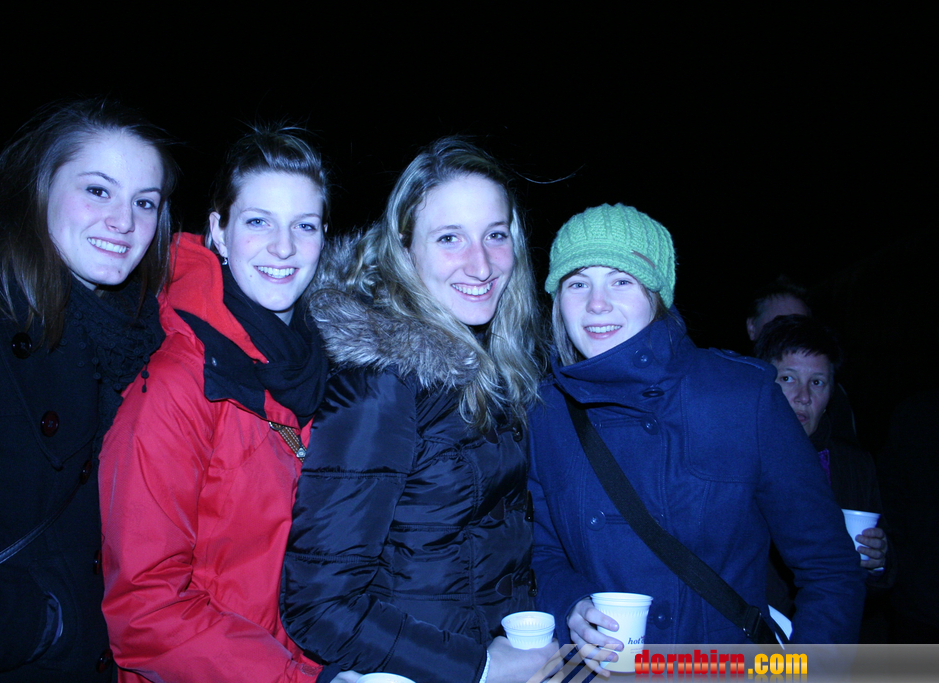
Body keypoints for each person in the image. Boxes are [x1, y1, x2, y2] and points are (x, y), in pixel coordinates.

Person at [529, 204, 865, 674]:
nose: (597, 304)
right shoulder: (546, 413)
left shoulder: (740, 396)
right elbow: (542, 553)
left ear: (657, 295)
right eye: (577, 283)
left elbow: (830, 567)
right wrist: (572, 606)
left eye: (621, 280)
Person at [0, 99, 177, 681]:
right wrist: (44, 623)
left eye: (144, 202)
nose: (123, 221)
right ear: (38, 190)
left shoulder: (146, 343)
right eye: (98, 191)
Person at [281, 138, 558, 683]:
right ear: (405, 250)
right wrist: (479, 667)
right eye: (449, 237)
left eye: (495, 235)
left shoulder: (493, 365)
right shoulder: (382, 382)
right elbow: (319, 606)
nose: (481, 264)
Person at [98, 127, 338, 683]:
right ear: (220, 233)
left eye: (304, 226)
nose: (284, 248)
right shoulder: (179, 386)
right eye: (258, 222)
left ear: (323, 238)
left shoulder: (328, 369)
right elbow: (144, 610)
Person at [754, 315, 892, 617]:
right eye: (788, 379)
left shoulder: (854, 466)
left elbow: (877, 582)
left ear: (831, 394)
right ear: (761, 380)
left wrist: (877, 561)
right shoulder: (730, 457)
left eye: (817, 383)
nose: (803, 397)